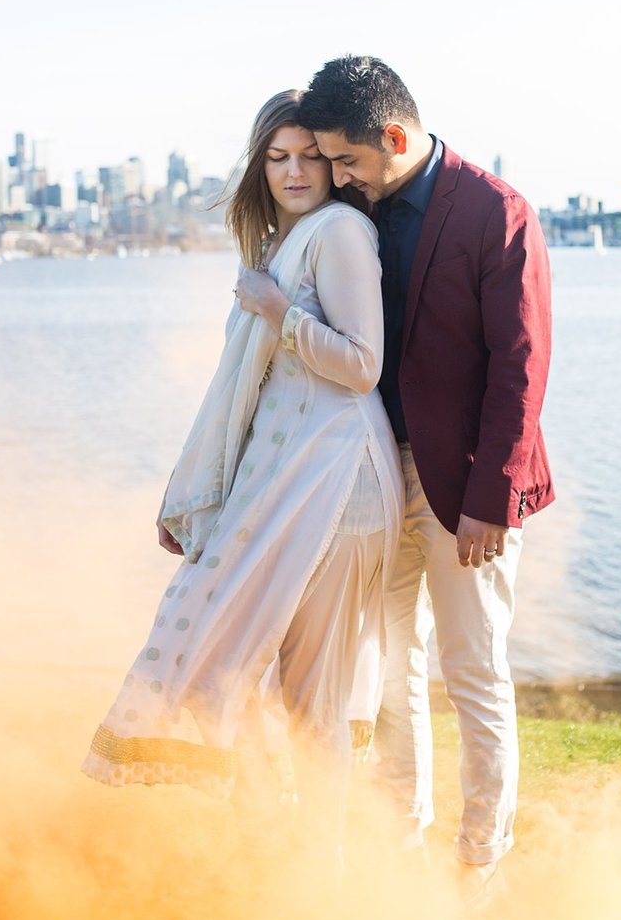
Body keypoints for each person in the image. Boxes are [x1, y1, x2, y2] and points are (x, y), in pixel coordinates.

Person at [82, 90, 403, 856]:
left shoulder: (342, 231)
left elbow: (362, 365)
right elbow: (248, 397)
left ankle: (315, 886)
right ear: (260, 165)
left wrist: (276, 312)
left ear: (333, 163)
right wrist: (198, 496)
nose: (294, 171)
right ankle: (277, 862)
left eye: (309, 156)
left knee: (311, 697)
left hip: (337, 480)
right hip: (285, 478)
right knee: (251, 677)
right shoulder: (278, 246)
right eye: (277, 157)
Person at [298, 56, 553, 901]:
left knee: (473, 668)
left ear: (395, 138)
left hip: (471, 487)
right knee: (389, 663)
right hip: (373, 477)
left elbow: (521, 369)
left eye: (347, 160)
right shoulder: (351, 213)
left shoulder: (496, 212)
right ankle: (400, 845)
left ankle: (479, 859)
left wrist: (490, 503)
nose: (337, 177)